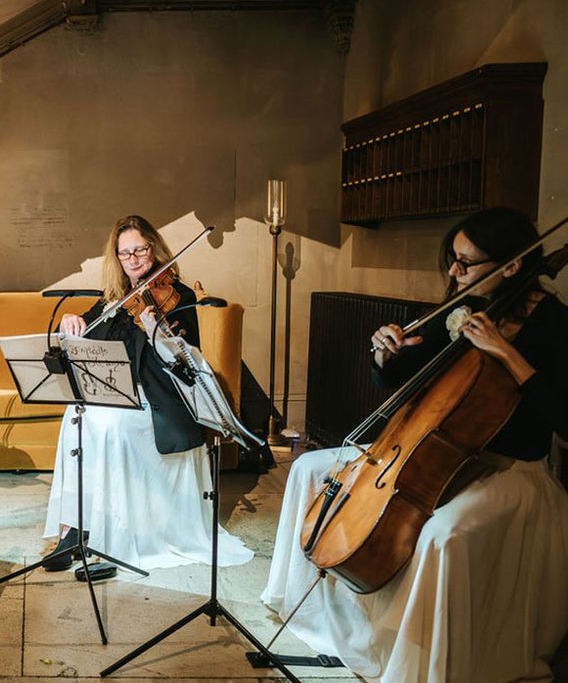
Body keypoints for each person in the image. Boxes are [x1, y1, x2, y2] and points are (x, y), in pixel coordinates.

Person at [262, 207, 568, 682]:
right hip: (433, 453)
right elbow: (405, 374)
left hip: (508, 471)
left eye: (465, 263)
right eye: (452, 259)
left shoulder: (552, 323)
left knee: (440, 535)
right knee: (309, 470)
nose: (453, 271)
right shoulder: (466, 304)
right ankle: (317, 616)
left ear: (511, 266)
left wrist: (507, 353)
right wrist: (385, 352)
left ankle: (421, 657)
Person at [43, 215, 252, 570]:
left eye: (139, 249)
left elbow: (185, 363)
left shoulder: (177, 295)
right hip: (120, 395)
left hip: (158, 401)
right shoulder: (114, 298)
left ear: (153, 248)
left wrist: (158, 332)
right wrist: (73, 323)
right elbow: (87, 338)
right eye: (125, 254)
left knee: (108, 424)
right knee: (75, 418)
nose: (134, 259)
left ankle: (111, 534)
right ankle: (75, 526)